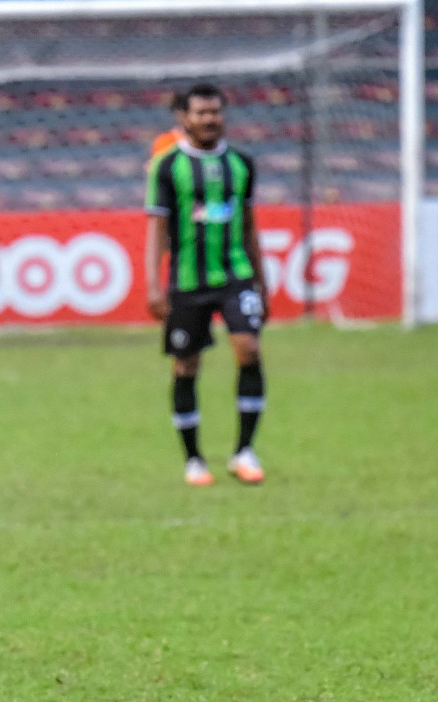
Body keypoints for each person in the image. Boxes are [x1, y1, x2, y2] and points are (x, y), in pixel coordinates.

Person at [145, 82, 269, 487]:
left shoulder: (242, 164)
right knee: (186, 364)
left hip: (236, 275)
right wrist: (153, 284)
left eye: (215, 111)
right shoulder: (167, 167)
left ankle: (244, 451)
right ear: (184, 118)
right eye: (201, 113)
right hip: (187, 282)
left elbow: (250, 227)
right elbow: (157, 229)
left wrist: (262, 282)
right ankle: (194, 459)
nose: (209, 119)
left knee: (248, 350)